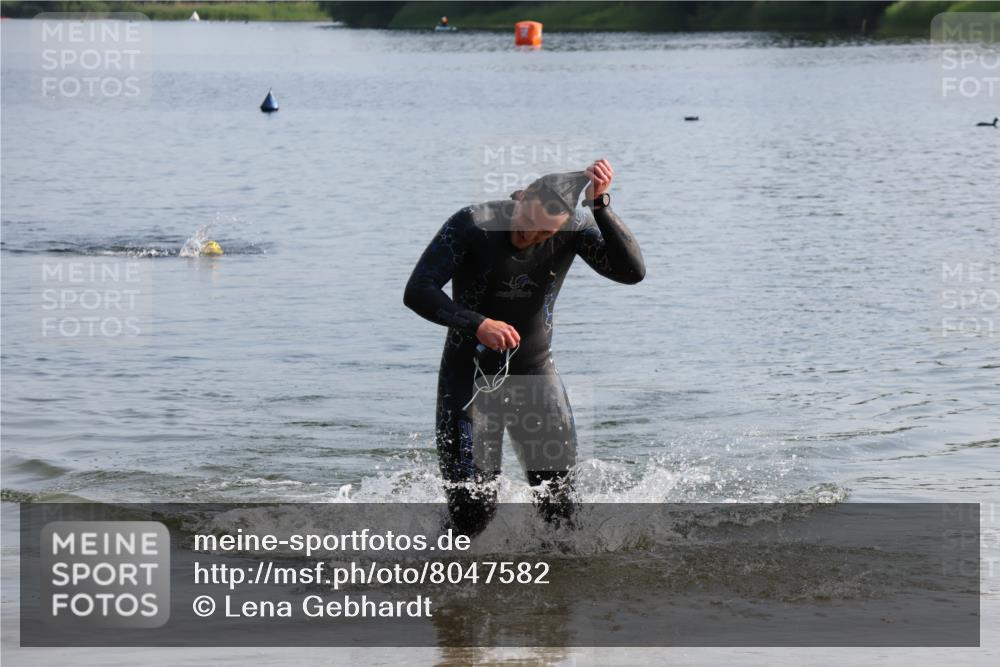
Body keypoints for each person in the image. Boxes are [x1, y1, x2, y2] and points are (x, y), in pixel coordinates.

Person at [404, 159, 645, 536]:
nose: (528, 236)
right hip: (469, 379)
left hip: (535, 377)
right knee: (473, 513)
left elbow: (632, 272)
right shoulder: (473, 223)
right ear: (520, 197)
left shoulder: (575, 229)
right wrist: (477, 323)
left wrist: (600, 207)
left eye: (542, 233)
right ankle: (438, 574)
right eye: (525, 224)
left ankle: (556, 590)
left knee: (561, 513)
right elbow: (418, 290)